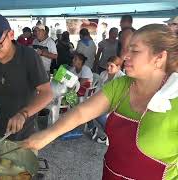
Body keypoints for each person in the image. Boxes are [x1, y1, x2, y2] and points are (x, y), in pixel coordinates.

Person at [23, 24, 178, 179]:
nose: (125, 56)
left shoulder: (174, 99)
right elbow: (81, 112)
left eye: (135, 51)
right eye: (127, 49)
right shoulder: (122, 84)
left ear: (159, 57)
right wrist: (47, 135)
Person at [0, 13, 53, 141]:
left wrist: (23, 114)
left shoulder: (29, 56)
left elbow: (47, 93)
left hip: (24, 131)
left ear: (11, 35)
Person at [86, 56, 125, 144]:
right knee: (86, 107)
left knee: (99, 115)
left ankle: (110, 135)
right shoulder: (103, 74)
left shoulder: (122, 78)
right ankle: (92, 128)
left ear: (118, 67)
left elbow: (120, 97)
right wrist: (93, 101)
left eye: (112, 66)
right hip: (102, 101)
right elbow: (98, 90)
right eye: (107, 65)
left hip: (116, 104)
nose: (108, 68)